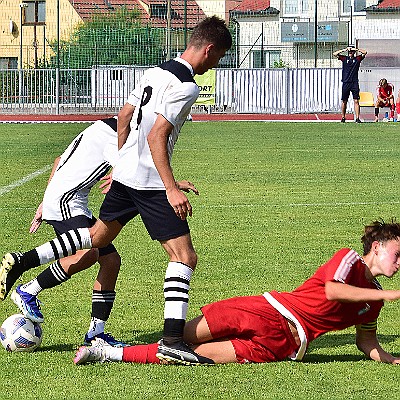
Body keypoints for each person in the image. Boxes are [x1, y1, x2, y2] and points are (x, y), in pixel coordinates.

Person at [0, 16, 232, 365]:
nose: (216, 65)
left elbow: (124, 117)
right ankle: (171, 339)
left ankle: (22, 262)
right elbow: (157, 136)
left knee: (96, 237)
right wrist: (170, 187)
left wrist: (122, 162)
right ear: (209, 49)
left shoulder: (155, 72)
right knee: (184, 257)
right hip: (149, 181)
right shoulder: (186, 86)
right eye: (218, 58)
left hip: (126, 176)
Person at [73, 220, 400, 366]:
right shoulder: (349, 260)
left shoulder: (372, 300)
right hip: (268, 310)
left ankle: (105, 354)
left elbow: (366, 342)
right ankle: (110, 347)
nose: (398, 263)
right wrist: (385, 296)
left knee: (194, 356)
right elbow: (332, 290)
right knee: (178, 336)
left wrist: (390, 358)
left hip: (284, 345)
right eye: (396, 254)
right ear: (377, 246)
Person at [6, 117, 126, 347]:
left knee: (111, 261)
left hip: (65, 199)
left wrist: (45, 199)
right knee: (88, 253)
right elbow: (126, 170)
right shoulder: (115, 137)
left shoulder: (100, 129)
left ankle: (95, 334)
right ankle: (28, 290)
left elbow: (58, 160)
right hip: (67, 201)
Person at [333, 45, 367, 123]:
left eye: (352, 52)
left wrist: (355, 49)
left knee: (356, 101)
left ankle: (357, 118)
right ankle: (343, 117)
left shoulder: (357, 59)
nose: (350, 53)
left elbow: (365, 52)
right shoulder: (345, 58)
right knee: (344, 101)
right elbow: (334, 54)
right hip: (346, 82)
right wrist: (345, 49)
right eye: (349, 52)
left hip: (354, 82)